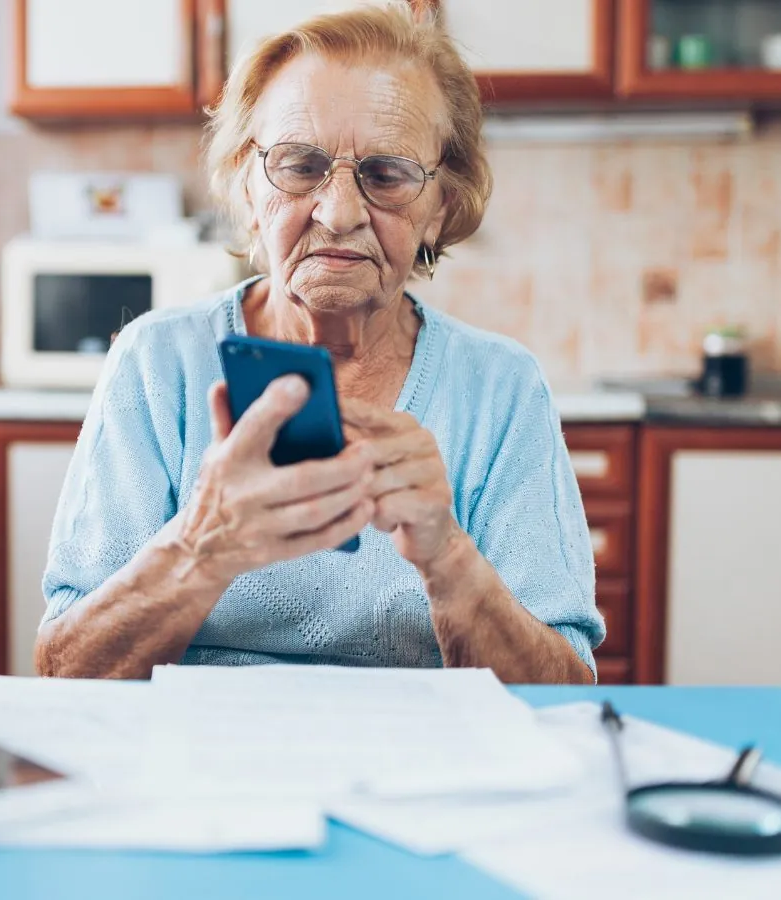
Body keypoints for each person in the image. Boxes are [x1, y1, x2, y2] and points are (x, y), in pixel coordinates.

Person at [34, 1, 604, 683]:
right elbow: (65, 671)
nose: (338, 212)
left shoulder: (500, 388)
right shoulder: (157, 365)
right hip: (194, 763)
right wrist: (203, 545)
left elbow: (563, 690)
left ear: (440, 208)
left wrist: (449, 559)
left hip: (419, 771)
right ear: (249, 189)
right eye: (300, 166)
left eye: (387, 174)